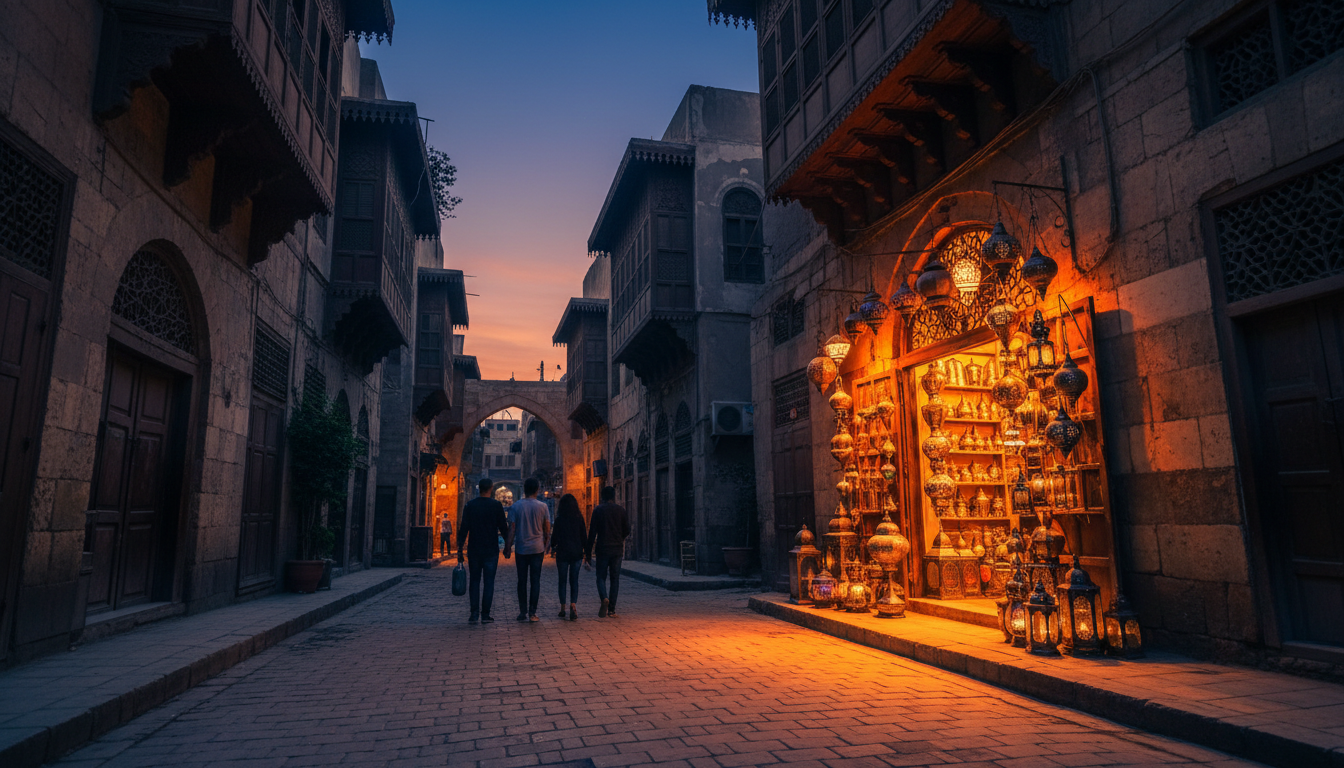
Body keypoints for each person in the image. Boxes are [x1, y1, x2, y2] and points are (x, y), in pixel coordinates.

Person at [457, 478, 509, 623]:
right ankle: (485, 615)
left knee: (474, 581)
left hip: (474, 549)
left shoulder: (470, 505)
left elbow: (463, 529)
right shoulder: (496, 505)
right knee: (489, 582)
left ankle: (474, 614)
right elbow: (503, 528)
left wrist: (460, 548)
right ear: (491, 488)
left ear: (479, 488)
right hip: (491, 549)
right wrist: (507, 546)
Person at [507, 477, 551, 622]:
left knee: (522, 580)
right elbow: (547, 529)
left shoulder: (516, 506)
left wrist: (508, 547)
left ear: (524, 489)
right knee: (535, 580)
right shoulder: (543, 507)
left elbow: (512, 530)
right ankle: (533, 612)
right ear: (537, 490)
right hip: (537, 548)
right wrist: (546, 545)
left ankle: (522, 611)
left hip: (521, 549)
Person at [585, 485, 630, 618]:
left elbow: (592, 532)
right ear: (613, 496)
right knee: (615, 579)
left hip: (603, 548)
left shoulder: (598, 510)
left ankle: (604, 597)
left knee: (601, 577)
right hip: (617, 549)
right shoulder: (621, 510)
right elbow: (626, 530)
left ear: (602, 497)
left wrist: (588, 553)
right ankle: (612, 610)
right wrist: (619, 538)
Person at [550, 493, 588, 621]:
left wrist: (552, 546)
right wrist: (586, 554)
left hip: (562, 553)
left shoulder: (559, 519)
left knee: (562, 580)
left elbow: (554, 538)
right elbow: (584, 537)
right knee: (574, 580)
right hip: (577, 553)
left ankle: (562, 608)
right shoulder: (579, 518)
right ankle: (573, 604)